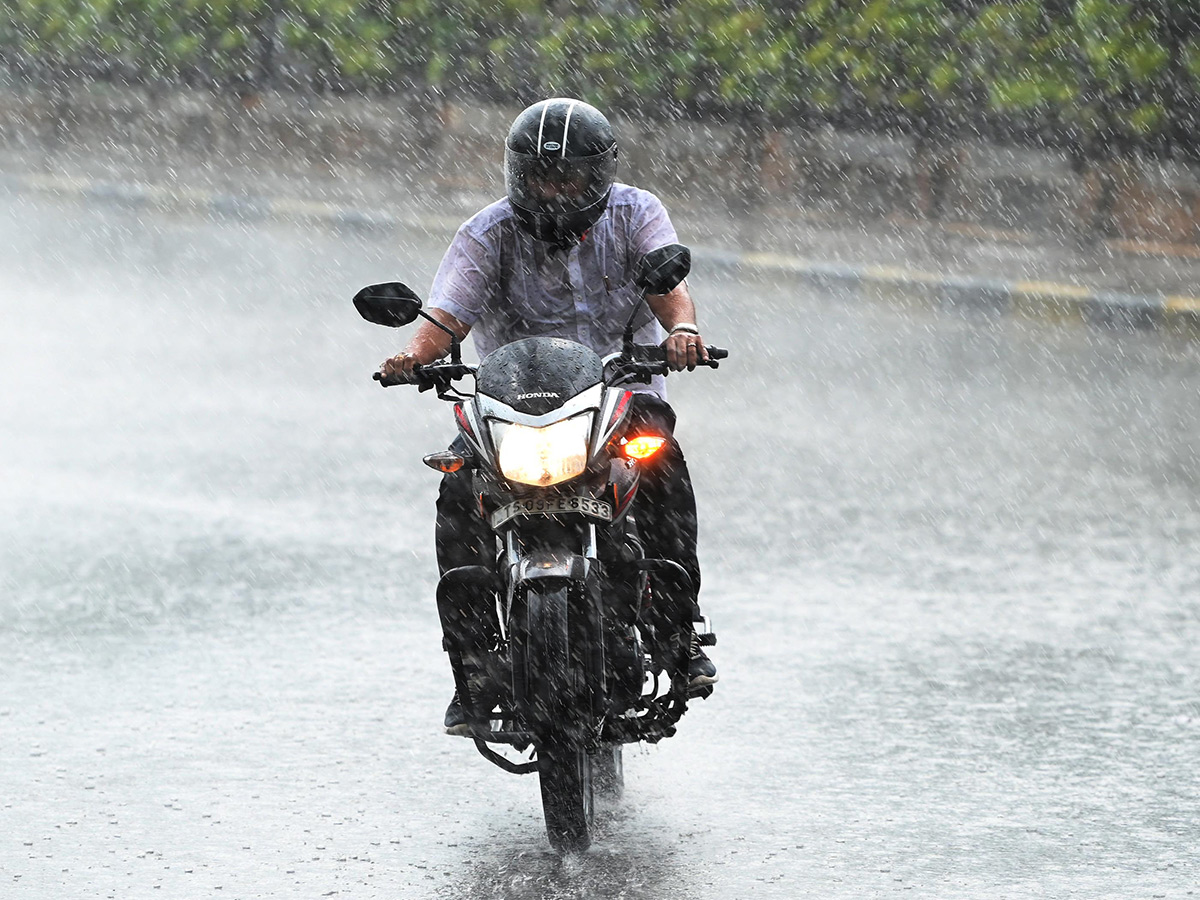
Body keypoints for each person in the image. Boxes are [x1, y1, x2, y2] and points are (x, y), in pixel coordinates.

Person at [379, 97, 718, 735]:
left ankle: (678, 630)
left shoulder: (636, 213)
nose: (553, 191)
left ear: (599, 176)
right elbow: (446, 313)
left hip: (620, 395)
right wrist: (410, 356)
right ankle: (475, 668)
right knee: (458, 488)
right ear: (517, 176)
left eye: (567, 179)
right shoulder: (489, 232)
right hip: (511, 405)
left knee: (662, 465)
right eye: (539, 177)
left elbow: (668, 285)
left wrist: (684, 332)